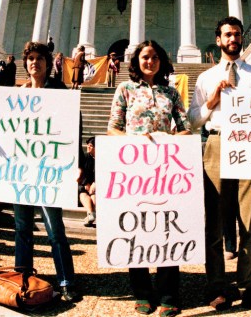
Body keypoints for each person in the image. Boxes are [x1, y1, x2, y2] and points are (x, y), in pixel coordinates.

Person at [188, 16, 251, 311]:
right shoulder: (206, 77)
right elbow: (192, 120)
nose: (233, 39)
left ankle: (247, 284)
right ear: (218, 40)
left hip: (249, 145)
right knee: (215, 224)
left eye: (236, 34)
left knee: (250, 222)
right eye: (227, 35)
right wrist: (212, 100)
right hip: (217, 143)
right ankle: (217, 285)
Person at [108, 40, 191, 317]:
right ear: (136, 61)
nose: (150, 61)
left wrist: (165, 138)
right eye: (145, 56)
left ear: (162, 61)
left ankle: (169, 294)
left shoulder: (171, 92)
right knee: (136, 230)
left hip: (166, 171)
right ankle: (142, 292)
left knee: (167, 230)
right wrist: (136, 141)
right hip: (133, 171)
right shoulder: (125, 90)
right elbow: (113, 129)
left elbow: (185, 129)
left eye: (155, 57)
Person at [13, 41, 81, 302]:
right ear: (26, 63)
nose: (35, 62)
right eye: (30, 58)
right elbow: (10, 130)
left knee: (55, 230)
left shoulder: (60, 91)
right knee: (22, 228)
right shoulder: (18, 95)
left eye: (40, 58)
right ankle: (23, 277)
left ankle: (66, 280)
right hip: (21, 170)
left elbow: (73, 126)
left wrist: (76, 161)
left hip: (49, 171)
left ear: (47, 62)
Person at [78, 136, 97, 226]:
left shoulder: (103, 159)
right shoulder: (86, 157)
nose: (88, 147)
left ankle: (92, 215)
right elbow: (83, 171)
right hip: (86, 184)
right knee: (82, 192)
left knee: (94, 194)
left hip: (98, 185)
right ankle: (91, 214)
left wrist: (96, 183)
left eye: (91, 146)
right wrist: (86, 182)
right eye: (88, 145)